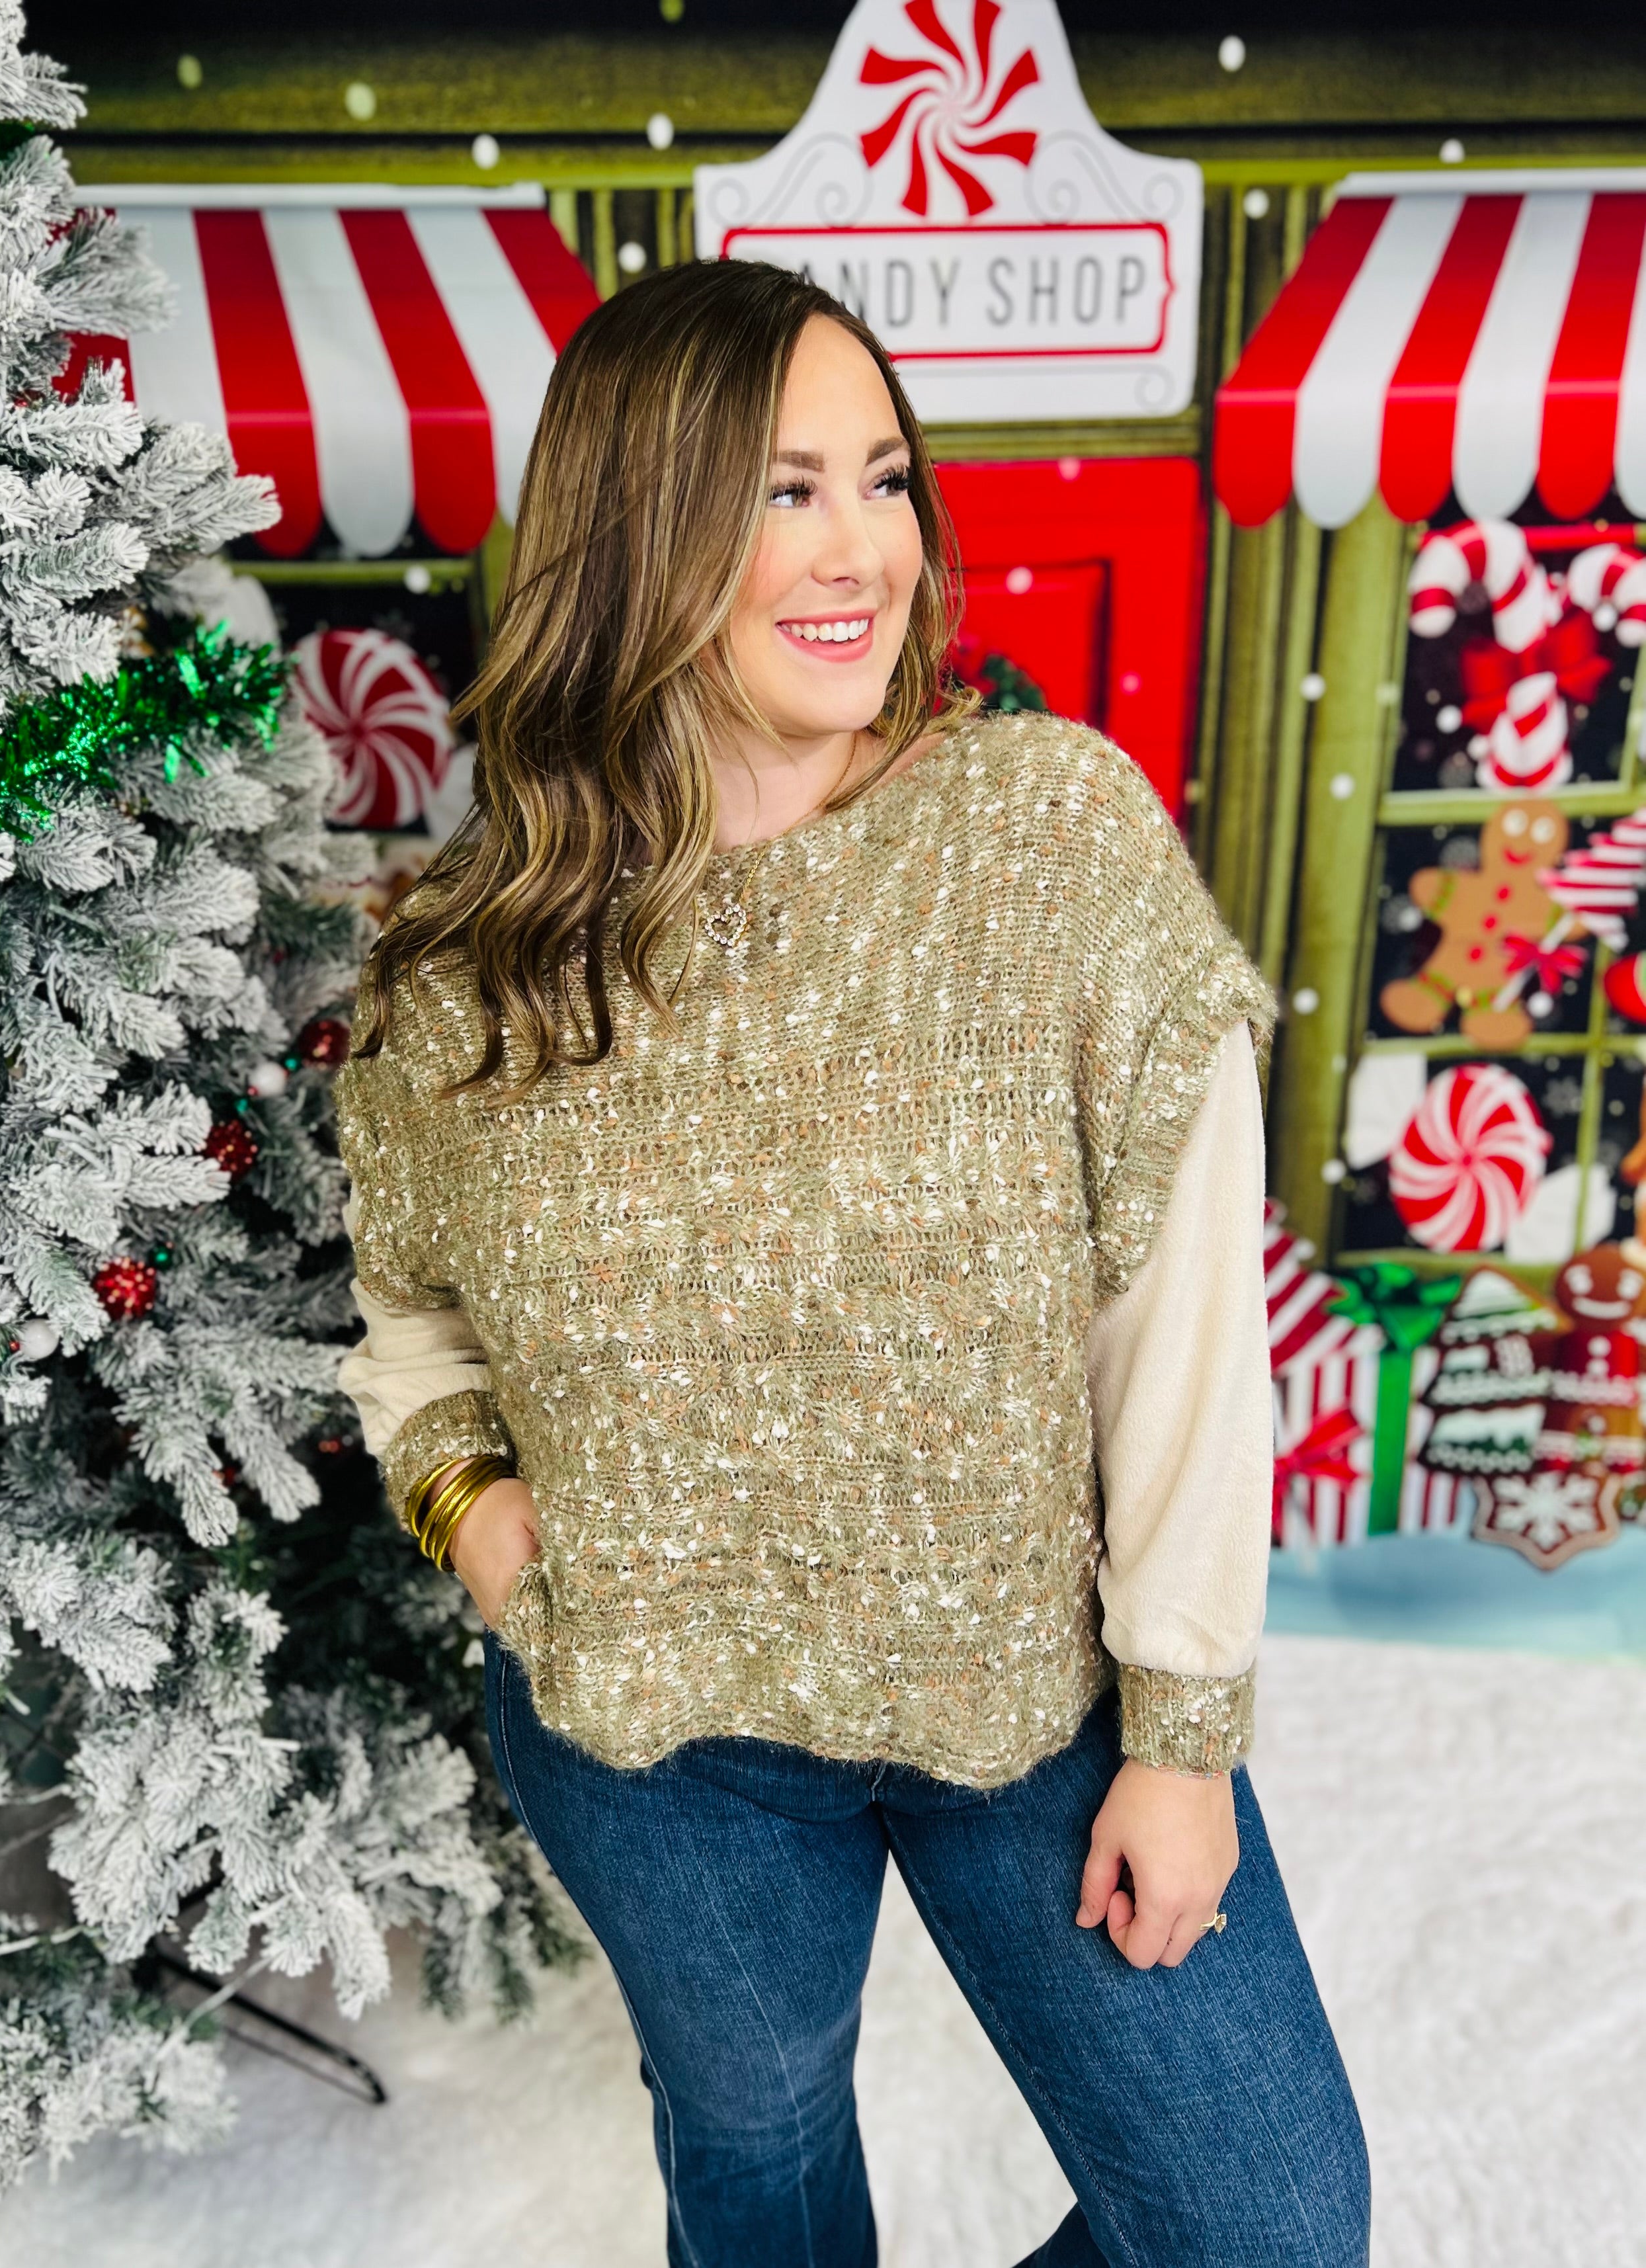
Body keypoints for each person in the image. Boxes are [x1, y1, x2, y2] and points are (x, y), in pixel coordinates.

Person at [335, 259, 1370, 2268]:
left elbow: (1179, 1332)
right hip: (663, 1742)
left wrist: (1181, 1739)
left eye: (883, 480)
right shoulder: (478, 952)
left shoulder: (1048, 840)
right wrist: (486, 1523)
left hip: (1031, 1690)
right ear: (636, 534)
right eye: (782, 491)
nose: (861, 551)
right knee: (764, 2163)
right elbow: (414, 1317)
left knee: (1265, 2222)